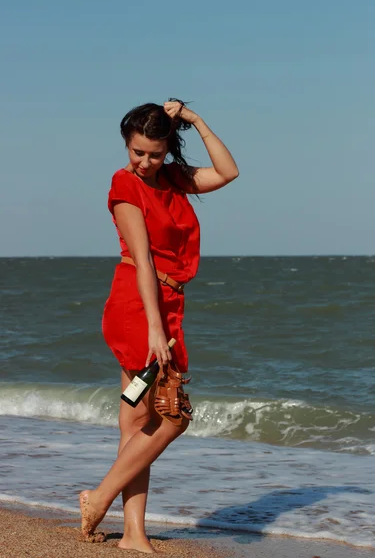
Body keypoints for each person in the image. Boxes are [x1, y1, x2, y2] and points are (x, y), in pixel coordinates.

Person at [79, 99, 239, 552]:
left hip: (168, 304)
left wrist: (197, 120)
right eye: (137, 152)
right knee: (173, 416)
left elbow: (227, 172)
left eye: (155, 153)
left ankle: (133, 534)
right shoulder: (124, 184)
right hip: (138, 305)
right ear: (126, 146)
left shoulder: (171, 178)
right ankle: (100, 497)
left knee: (137, 422)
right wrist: (153, 326)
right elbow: (144, 260)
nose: (145, 162)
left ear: (168, 149)